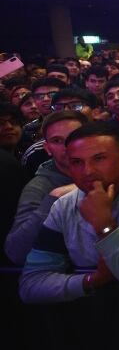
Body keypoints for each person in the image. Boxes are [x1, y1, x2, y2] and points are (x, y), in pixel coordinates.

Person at [17, 122, 119, 350]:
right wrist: (93, 280)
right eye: (77, 162)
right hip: (86, 325)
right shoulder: (63, 207)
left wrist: (104, 225)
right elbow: (31, 284)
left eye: (99, 158)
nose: (87, 171)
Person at [5, 110, 87, 265]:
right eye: (57, 140)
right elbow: (16, 251)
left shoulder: (112, 173)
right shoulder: (40, 188)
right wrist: (53, 199)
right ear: (48, 148)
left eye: (74, 137)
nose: (67, 147)